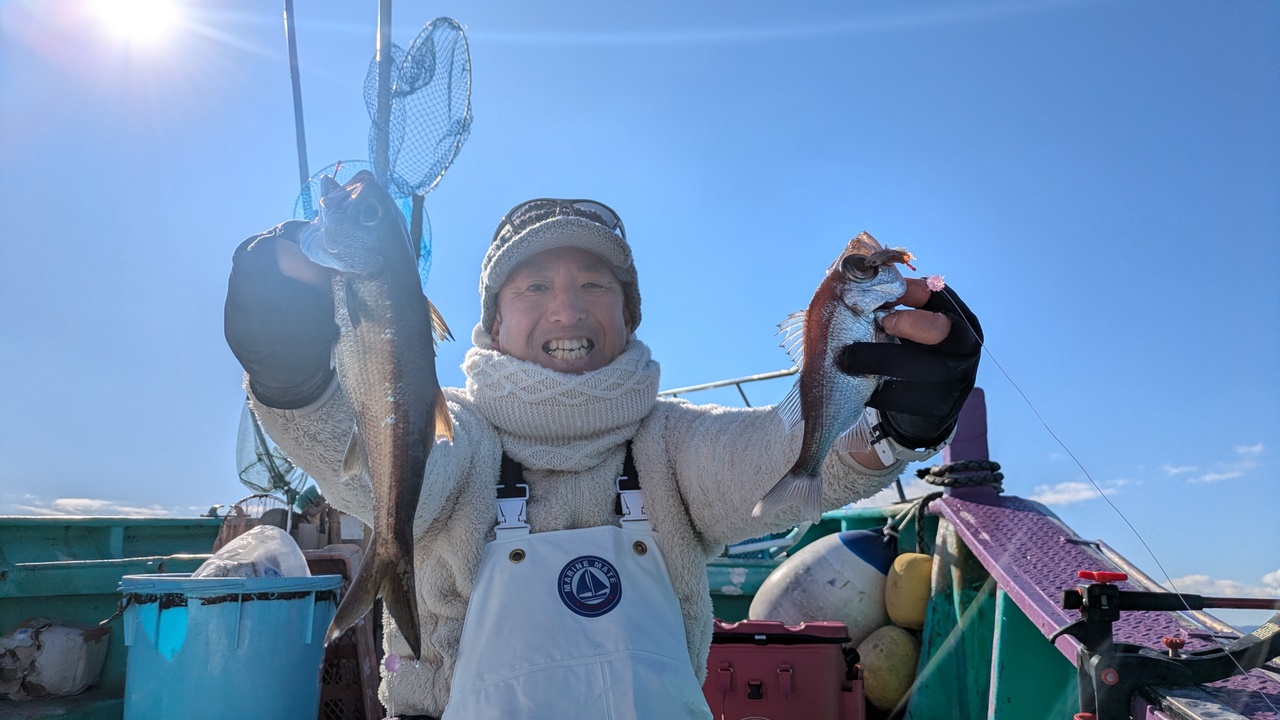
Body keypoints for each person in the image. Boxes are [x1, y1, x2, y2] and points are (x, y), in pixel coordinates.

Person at [223, 196, 981, 719]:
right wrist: (293, 377)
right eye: (534, 286)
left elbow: (782, 455)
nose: (568, 308)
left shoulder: (671, 442)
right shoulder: (459, 435)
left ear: (628, 314)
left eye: (595, 282)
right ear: (491, 323)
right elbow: (374, 464)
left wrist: (897, 421)